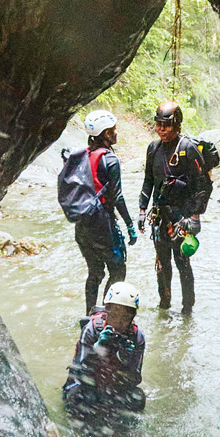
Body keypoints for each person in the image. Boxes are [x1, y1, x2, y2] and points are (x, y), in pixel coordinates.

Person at [138, 101, 213, 313]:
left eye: (167, 124)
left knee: (183, 264)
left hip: (182, 217)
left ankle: (187, 310)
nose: (162, 129)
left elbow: (203, 185)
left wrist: (196, 216)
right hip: (160, 216)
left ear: (177, 126)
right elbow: (148, 181)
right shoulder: (153, 149)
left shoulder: (188, 149)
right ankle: (164, 305)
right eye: (159, 124)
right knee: (162, 264)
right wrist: (143, 210)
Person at [70, 109, 137, 313]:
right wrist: (129, 224)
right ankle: (107, 314)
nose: (116, 133)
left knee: (95, 272)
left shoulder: (83, 155)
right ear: (106, 134)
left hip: (82, 226)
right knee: (118, 270)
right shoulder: (110, 160)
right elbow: (117, 197)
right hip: (103, 227)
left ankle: (91, 312)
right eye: (113, 130)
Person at [62, 281, 146, 416]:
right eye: (115, 315)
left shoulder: (137, 337)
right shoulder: (92, 330)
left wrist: (126, 360)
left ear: (132, 317)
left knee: (137, 398)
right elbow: (80, 373)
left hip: (112, 388)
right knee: (83, 399)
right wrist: (98, 350)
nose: (119, 323)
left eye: (125, 317)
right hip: (86, 386)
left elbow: (134, 381)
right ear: (107, 311)